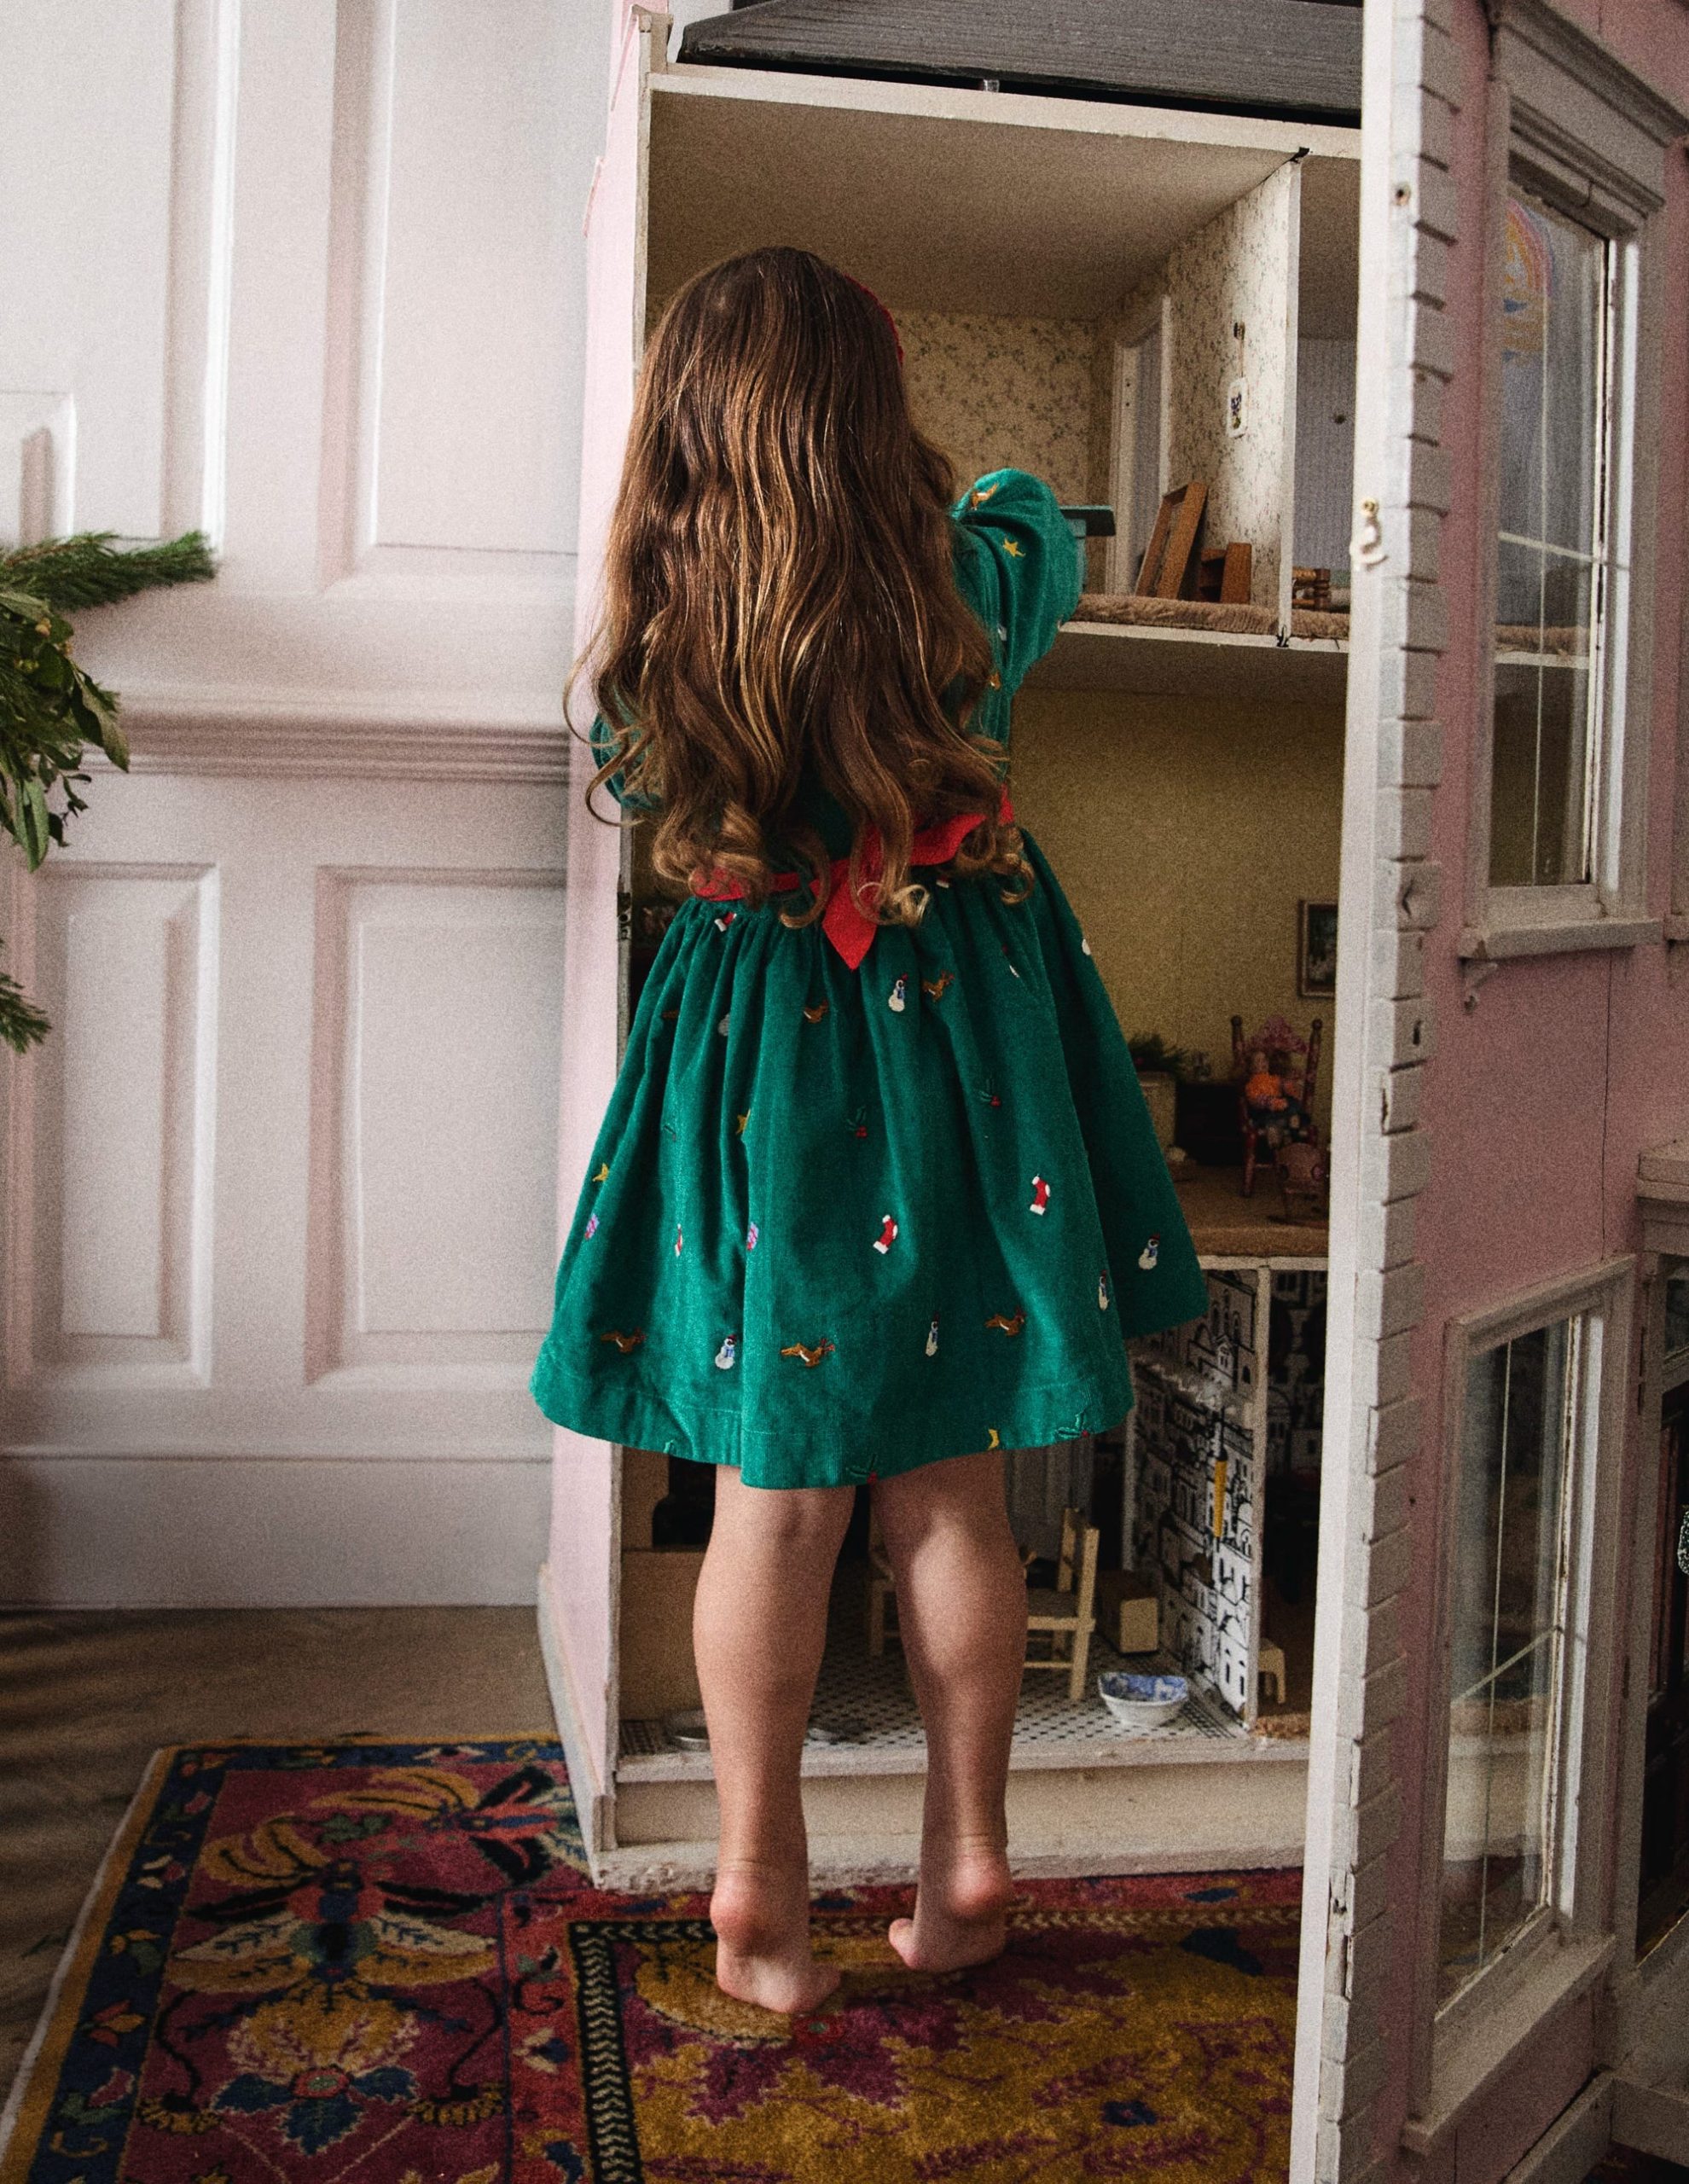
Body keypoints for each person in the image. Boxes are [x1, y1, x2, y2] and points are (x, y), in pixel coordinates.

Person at [531, 247, 1207, 2015]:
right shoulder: (971, 585)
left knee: (772, 1504)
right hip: (964, 1060)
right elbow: (1040, 513)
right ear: (873, 420)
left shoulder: (659, 634)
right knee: (954, 1490)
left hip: (764, 1073)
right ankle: (968, 1849)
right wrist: (917, 475)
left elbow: (632, 771)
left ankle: (758, 1885)